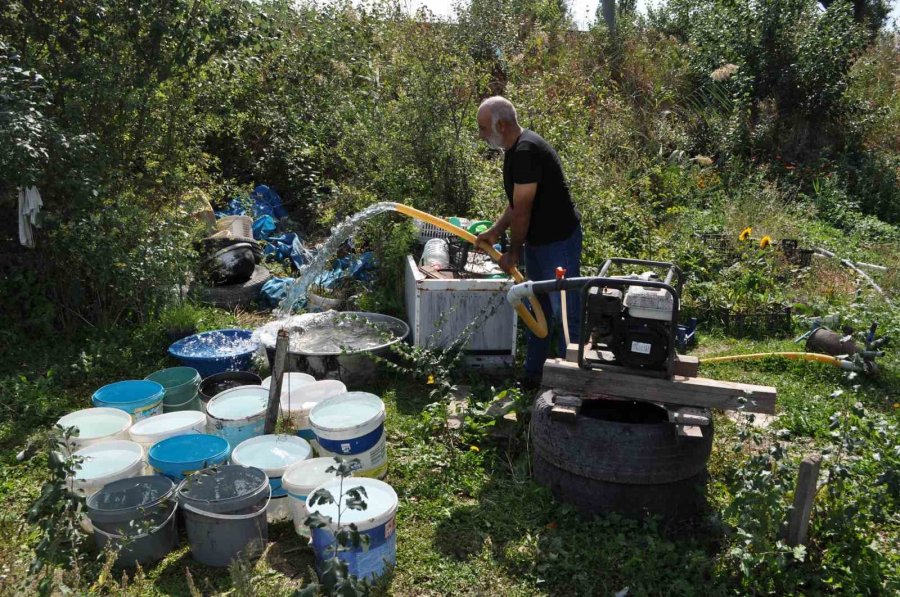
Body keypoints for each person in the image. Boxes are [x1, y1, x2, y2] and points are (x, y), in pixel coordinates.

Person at [475, 96, 582, 386]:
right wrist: (495, 231)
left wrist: (513, 252)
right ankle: (534, 377)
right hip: (539, 243)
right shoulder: (514, 149)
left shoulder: (526, 151)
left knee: (565, 315)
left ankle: (570, 384)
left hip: (558, 242)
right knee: (538, 311)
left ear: (502, 124)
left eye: (484, 128)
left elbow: (523, 210)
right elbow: (514, 204)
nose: (482, 135)